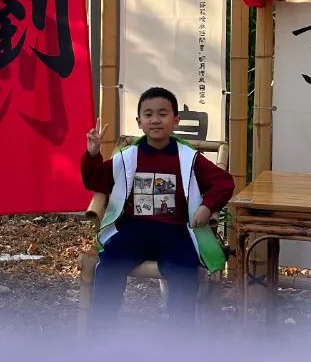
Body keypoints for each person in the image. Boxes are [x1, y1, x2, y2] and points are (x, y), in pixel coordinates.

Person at [83, 87, 234, 322]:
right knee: (110, 264)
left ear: (176, 121)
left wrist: (207, 206)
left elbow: (223, 182)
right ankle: (102, 331)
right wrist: (93, 155)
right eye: (148, 114)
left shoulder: (188, 157)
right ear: (139, 122)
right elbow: (96, 180)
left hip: (176, 233)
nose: (155, 120)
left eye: (163, 114)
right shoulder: (128, 156)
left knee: (184, 274)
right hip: (133, 231)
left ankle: (179, 334)